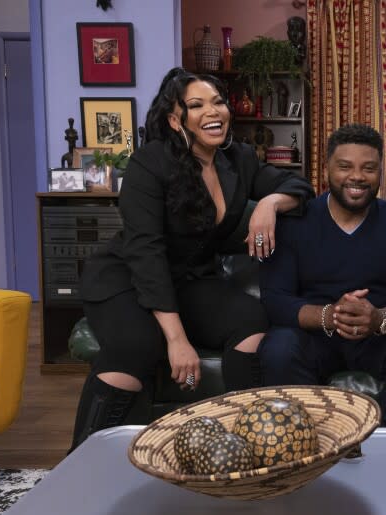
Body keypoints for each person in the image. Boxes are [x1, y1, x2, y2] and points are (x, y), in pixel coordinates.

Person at [69, 67, 314, 451]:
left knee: (251, 318)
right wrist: (177, 338)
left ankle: (240, 444)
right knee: (139, 345)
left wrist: (269, 201)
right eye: (196, 105)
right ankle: (81, 460)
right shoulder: (149, 163)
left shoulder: (238, 158)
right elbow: (145, 252)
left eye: (218, 102)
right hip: (128, 279)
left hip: (189, 280)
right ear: (174, 118)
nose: (212, 112)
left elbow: (299, 186)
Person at [258, 123, 386, 427]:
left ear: (380, 171)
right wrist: (330, 315)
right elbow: (276, 299)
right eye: (345, 166)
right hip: (316, 337)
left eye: (368, 168)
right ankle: (307, 449)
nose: (357, 177)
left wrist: (379, 318)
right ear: (326, 168)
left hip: (380, 336)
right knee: (279, 346)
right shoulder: (295, 222)